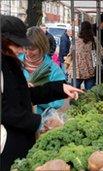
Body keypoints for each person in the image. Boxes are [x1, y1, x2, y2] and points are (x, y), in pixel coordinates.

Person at [1, 15, 83, 171]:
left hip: (21, 139)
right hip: (6, 146)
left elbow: (25, 95)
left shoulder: (11, 61)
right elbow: (5, 111)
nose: (22, 50)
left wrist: (60, 89)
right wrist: (38, 121)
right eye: (18, 45)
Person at [18, 26, 66, 114]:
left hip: (40, 121)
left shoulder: (54, 70)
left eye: (32, 49)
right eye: (25, 48)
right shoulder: (13, 62)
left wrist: (38, 94)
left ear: (42, 47)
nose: (28, 53)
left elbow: (58, 101)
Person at [68, 21, 103, 90]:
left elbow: (71, 54)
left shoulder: (75, 40)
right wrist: (93, 59)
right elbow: (102, 53)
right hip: (90, 70)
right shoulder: (94, 40)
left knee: (75, 93)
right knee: (90, 95)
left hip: (77, 70)